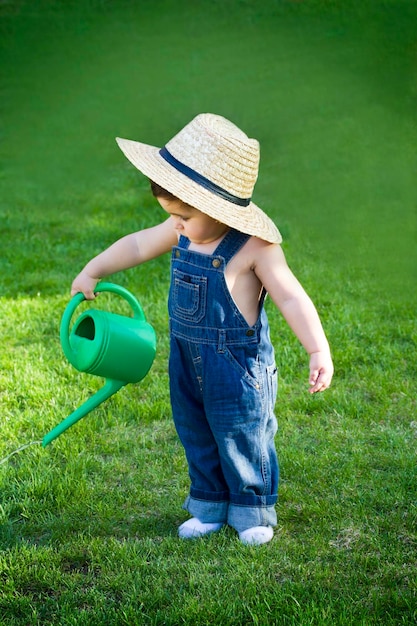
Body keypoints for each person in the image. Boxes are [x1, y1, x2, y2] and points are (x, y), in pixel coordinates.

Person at [71, 113, 334, 545]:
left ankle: (252, 510)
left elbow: (290, 296)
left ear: (218, 207)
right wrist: (93, 270)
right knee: (196, 430)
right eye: (170, 214)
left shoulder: (255, 248)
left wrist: (317, 349)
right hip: (187, 360)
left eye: (183, 214)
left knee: (243, 433)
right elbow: (138, 244)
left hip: (238, 368)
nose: (175, 223)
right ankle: (209, 504)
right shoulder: (183, 233)